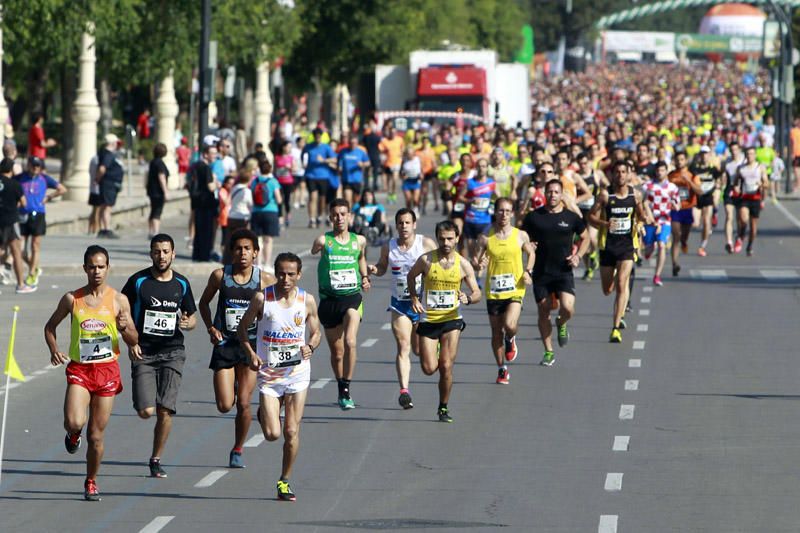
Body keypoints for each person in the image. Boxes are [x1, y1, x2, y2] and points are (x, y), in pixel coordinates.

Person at [44, 245, 138, 501]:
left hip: (107, 370)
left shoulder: (119, 300)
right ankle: (73, 434)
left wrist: (125, 327)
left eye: (101, 266)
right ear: (84, 268)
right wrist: (54, 350)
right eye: (92, 267)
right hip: (80, 369)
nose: (97, 271)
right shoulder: (71, 299)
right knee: (75, 422)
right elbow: (50, 327)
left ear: (108, 268)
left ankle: (91, 480)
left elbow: (133, 338)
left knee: (96, 436)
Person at [237, 252, 321, 502]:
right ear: (275, 273)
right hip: (270, 376)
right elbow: (243, 328)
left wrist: (311, 346)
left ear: (299, 275)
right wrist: (251, 353)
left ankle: (284, 480)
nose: (285, 279)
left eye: (291, 274)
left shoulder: (307, 301)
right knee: (272, 434)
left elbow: (316, 331)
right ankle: (265, 414)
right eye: (281, 273)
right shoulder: (263, 299)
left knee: (291, 431)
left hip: (297, 373)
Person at [121, 234, 197, 478]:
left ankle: (156, 458)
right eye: (157, 251)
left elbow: (192, 317)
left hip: (173, 351)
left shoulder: (182, 284)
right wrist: (131, 341)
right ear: (151, 253)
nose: (161, 256)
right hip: (144, 352)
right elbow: (121, 314)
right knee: (146, 411)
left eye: (166, 251)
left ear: (173, 254)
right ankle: (144, 406)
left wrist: (188, 322)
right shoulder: (138, 282)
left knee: (165, 409)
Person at [198, 229, 275, 468]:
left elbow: (277, 310)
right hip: (225, 345)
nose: (242, 253)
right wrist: (211, 328)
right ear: (231, 252)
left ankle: (238, 449)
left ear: (255, 253)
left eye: (247, 249)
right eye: (238, 249)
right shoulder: (220, 276)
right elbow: (203, 303)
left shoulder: (265, 280)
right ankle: (231, 383)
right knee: (224, 405)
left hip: (250, 347)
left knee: (244, 403)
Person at [407, 220, 481, 422]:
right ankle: (434, 347)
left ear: (457, 239)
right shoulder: (426, 260)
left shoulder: (463, 264)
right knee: (429, 369)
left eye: (450, 238)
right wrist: (414, 298)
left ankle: (443, 407)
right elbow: (411, 276)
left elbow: (477, 293)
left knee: (446, 366)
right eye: (442, 238)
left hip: (452, 320)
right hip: (429, 319)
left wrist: (468, 298)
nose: (446, 242)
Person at [367, 208, 436, 408]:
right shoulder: (389, 246)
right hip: (400, 304)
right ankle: (404, 391)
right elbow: (382, 267)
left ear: (414, 225)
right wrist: (374, 270)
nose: (404, 226)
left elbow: (440, 267)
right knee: (403, 346)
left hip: (422, 304)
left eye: (407, 223)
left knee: (417, 350)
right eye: (400, 223)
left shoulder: (425, 244)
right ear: (396, 225)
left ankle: (434, 346)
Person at [311, 199, 370, 410]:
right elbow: (312, 251)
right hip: (329, 301)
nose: (339, 218)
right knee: (337, 353)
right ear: (330, 218)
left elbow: (361, 258)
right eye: (335, 214)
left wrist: (364, 277)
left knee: (351, 341)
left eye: (343, 214)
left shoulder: (359, 241)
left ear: (350, 216)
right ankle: (340, 385)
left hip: (352, 298)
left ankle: (346, 386)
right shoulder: (323, 241)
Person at [522, 181, 589, 365]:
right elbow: (521, 238)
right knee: (543, 311)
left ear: (562, 195)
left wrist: (578, 256)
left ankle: (561, 323)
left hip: (563, 271)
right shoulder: (534, 217)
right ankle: (548, 351)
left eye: (556, 192)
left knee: (567, 308)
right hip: (541, 272)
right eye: (549, 192)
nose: (552, 195)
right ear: (544, 193)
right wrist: (528, 246)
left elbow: (586, 237)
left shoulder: (571, 217)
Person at [588, 160, 652, 343]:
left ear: (629, 174)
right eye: (617, 172)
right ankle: (618, 296)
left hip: (626, 246)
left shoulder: (636, 195)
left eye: (624, 172)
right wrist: (606, 224)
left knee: (623, 284)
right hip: (608, 246)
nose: (621, 175)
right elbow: (591, 217)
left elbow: (641, 216)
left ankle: (615, 328)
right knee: (608, 289)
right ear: (612, 175)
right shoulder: (605, 196)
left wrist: (640, 225)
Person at [473, 197, 534, 380]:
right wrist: (479, 263)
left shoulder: (520, 235)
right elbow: (475, 261)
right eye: (501, 211)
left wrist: (528, 271)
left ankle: (511, 338)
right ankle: (502, 368)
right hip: (494, 291)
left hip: (515, 288)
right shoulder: (485, 238)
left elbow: (531, 253)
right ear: (495, 212)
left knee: (509, 324)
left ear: (512, 213)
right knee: (495, 331)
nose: (504, 215)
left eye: (508, 211)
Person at [16, 156, 67, 287]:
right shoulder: (20, 177)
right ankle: (33, 266)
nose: (35, 168)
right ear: (28, 165)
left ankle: (32, 273)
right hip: (23, 214)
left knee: (35, 245)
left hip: (38, 214)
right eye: (33, 165)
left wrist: (49, 197)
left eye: (38, 166)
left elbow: (62, 189)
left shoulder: (44, 178)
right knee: (20, 248)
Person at [642, 161, 680, 286]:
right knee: (648, 249)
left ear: (666, 171)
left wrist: (675, 205)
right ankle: (649, 249)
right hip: (650, 221)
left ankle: (657, 275)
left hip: (665, 221)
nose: (660, 173)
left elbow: (678, 205)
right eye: (658, 170)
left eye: (662, 170)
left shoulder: (672, 187)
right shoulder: (647, 186)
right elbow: (643, 203)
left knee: (662, 245)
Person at [0, 158, 34, 293]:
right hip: (10, 220)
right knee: (16, 252)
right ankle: (20, 284)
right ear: (11, 169)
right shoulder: (14, 184)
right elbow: (24, 203)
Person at [667, 152, 702, 276]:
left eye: (682, 159)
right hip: (675, 209)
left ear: (686, 161)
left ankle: (684, 241)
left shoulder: (692, 175)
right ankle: (675, 264)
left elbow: (700, 191)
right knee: (675, 235)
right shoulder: (670, 176)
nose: (679, 162)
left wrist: (689, 182)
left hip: (688, 208)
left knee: (684, 235)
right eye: (677, 160)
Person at [733, 146, 768, 256]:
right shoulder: (741, 168)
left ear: (755, 155)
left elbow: (767, 183)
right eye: (748, 154)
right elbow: (735, 182)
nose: (750, 156)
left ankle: (749, 246)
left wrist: (761, 184)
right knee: (743, 219)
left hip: (756, 198)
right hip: (744, 197)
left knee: (753, 228)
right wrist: (736, 188)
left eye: (752, 154)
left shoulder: (760, 167)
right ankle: (741, 236)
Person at [689, 146, 721, 257]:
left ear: (709, 155)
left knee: (707, 222)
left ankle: (702, 246)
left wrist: (718, 186)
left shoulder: (713, 169)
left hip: (708, 197)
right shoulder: (694, 168)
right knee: (696, 223)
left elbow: (721, 178)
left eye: (706, 154)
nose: (704, 156)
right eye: (702, 154)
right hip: (697, 198)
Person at [251, 159, 283, 271]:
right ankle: (267, 264)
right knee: (268, 240)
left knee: (257, 239)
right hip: (270, 212)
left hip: (256, 212)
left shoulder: (255, 181)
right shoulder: (273, 181)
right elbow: (279, 199)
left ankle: (257, 263)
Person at [190, 144, 219, 262]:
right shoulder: (206, 168)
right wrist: (216, 182)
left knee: (198, 229)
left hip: (197, 202)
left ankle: (197, 254)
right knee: (206, 230)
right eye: (213, 153)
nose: (215, 156)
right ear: (206, 154)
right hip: (206, 202)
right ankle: (204, 255)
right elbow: (210, 187)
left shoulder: (196, 165)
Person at [303, 128, 337, 228]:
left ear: (321, 137)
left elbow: (335, 159)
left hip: (323, 175)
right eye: (316, 136)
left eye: (319, 136)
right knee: (312, 196)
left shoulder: (326, 147)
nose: (317, 138)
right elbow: (303, 156)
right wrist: (303, 164)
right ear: (314, 136)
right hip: (310, 175)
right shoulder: (308, 147)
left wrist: (324, 160)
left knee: (322, 198)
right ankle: (312, 219)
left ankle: (319, 216)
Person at [95, 134, 124, 239]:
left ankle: (103, 228)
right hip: (109, 184)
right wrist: (97, 179)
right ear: (112, 143)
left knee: (104, 206)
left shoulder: (105, 153)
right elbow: (102, 168)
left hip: (107, 183)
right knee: (107, 207)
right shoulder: (108, 155)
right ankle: (106, 229)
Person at [723, 142, 745, 253]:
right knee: (729, 215)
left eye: (736, 150)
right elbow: (723, 176)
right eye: (732, 150)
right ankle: (729, 242)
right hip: (729, 190)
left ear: (739, 150)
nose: (734, 152)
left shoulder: (744, 161)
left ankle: (739, 238)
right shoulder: (727, 162)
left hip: (741, 191)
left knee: (740, 218)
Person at [338, 133, 370, 208]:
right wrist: (339, 167)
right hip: (346, 179)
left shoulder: (361, 152)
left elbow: (368, 163)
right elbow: (339, 162)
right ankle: (348, 215)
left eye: (354, 143)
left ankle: (354, 214)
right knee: (347, 198)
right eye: (351, 143)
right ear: (348, 143)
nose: (353, 144)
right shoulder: (343, 152)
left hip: (357, 180)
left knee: (356, 201)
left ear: (357, 143)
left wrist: (362, 164)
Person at [146, 143, 170, 238]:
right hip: (158, 192)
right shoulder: (160, 163)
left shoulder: (153, 162)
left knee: (153, 210)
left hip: (152, 190)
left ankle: (151, 231)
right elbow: (162, 177)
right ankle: (156, 232)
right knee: (157, 211)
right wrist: (166, 191)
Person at [379, 126, 404, 204]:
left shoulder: (399, 139)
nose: (393, 134)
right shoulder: (385, 141)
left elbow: (403, 147)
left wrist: (401, 153)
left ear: (396, 133)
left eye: (394, 132)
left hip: (397, 162)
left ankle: (394, 193)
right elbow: (380, 150)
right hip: (388, 163)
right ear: (389, 133)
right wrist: (383, 155)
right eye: (391, 132)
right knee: (389, 181)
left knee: (395, 179)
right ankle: (390, 195)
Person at [274, 141, 296, 227]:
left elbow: (294, 169)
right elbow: (274, 170)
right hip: (278, 181)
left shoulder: (291, 158)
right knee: (279, 200)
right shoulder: (277, 157)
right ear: (283, 147)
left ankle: (287, 215)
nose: (289, 149)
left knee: (287, 200)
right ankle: (280, 217)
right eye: (288, 147)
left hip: (288, 181)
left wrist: (289, 167)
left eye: (290, 147)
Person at [400, 145, 423, 212]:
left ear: (413, 153)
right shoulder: (404, 160)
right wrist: (403, 176)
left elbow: (422, 171)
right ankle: (409, 213)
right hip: (407, 181)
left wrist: (421, 176)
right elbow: (401, 172)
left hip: (416, 181)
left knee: (416, 199)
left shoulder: (418, 159)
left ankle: (416, 209)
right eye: (408, 154)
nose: (409, 155)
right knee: (408, 200)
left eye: (411, 153)